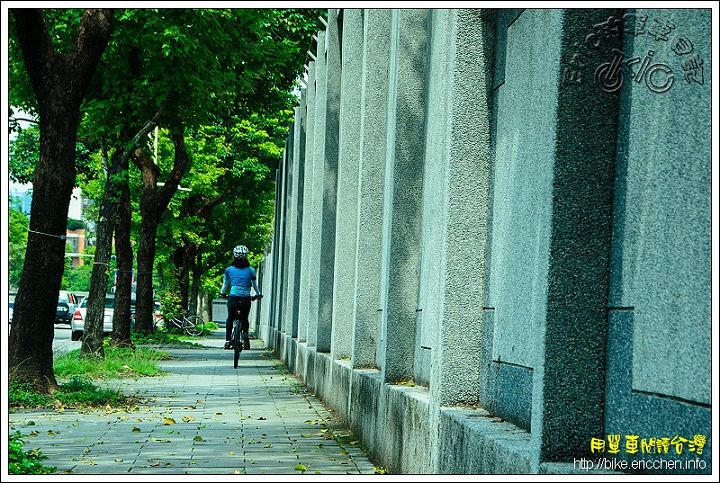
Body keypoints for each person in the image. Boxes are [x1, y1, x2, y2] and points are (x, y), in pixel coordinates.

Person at [219, 245, 262, 350]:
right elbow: (255, 286)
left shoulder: (228, 270)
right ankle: (246, 339)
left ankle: (228, 341)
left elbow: (225, 285)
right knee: (244, 319)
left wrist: (222, 293)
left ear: (234, 256)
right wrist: (258, 294)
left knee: (230, 318)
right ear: (246, 256)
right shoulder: (251, 270)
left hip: (233, 298)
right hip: (245, 299)